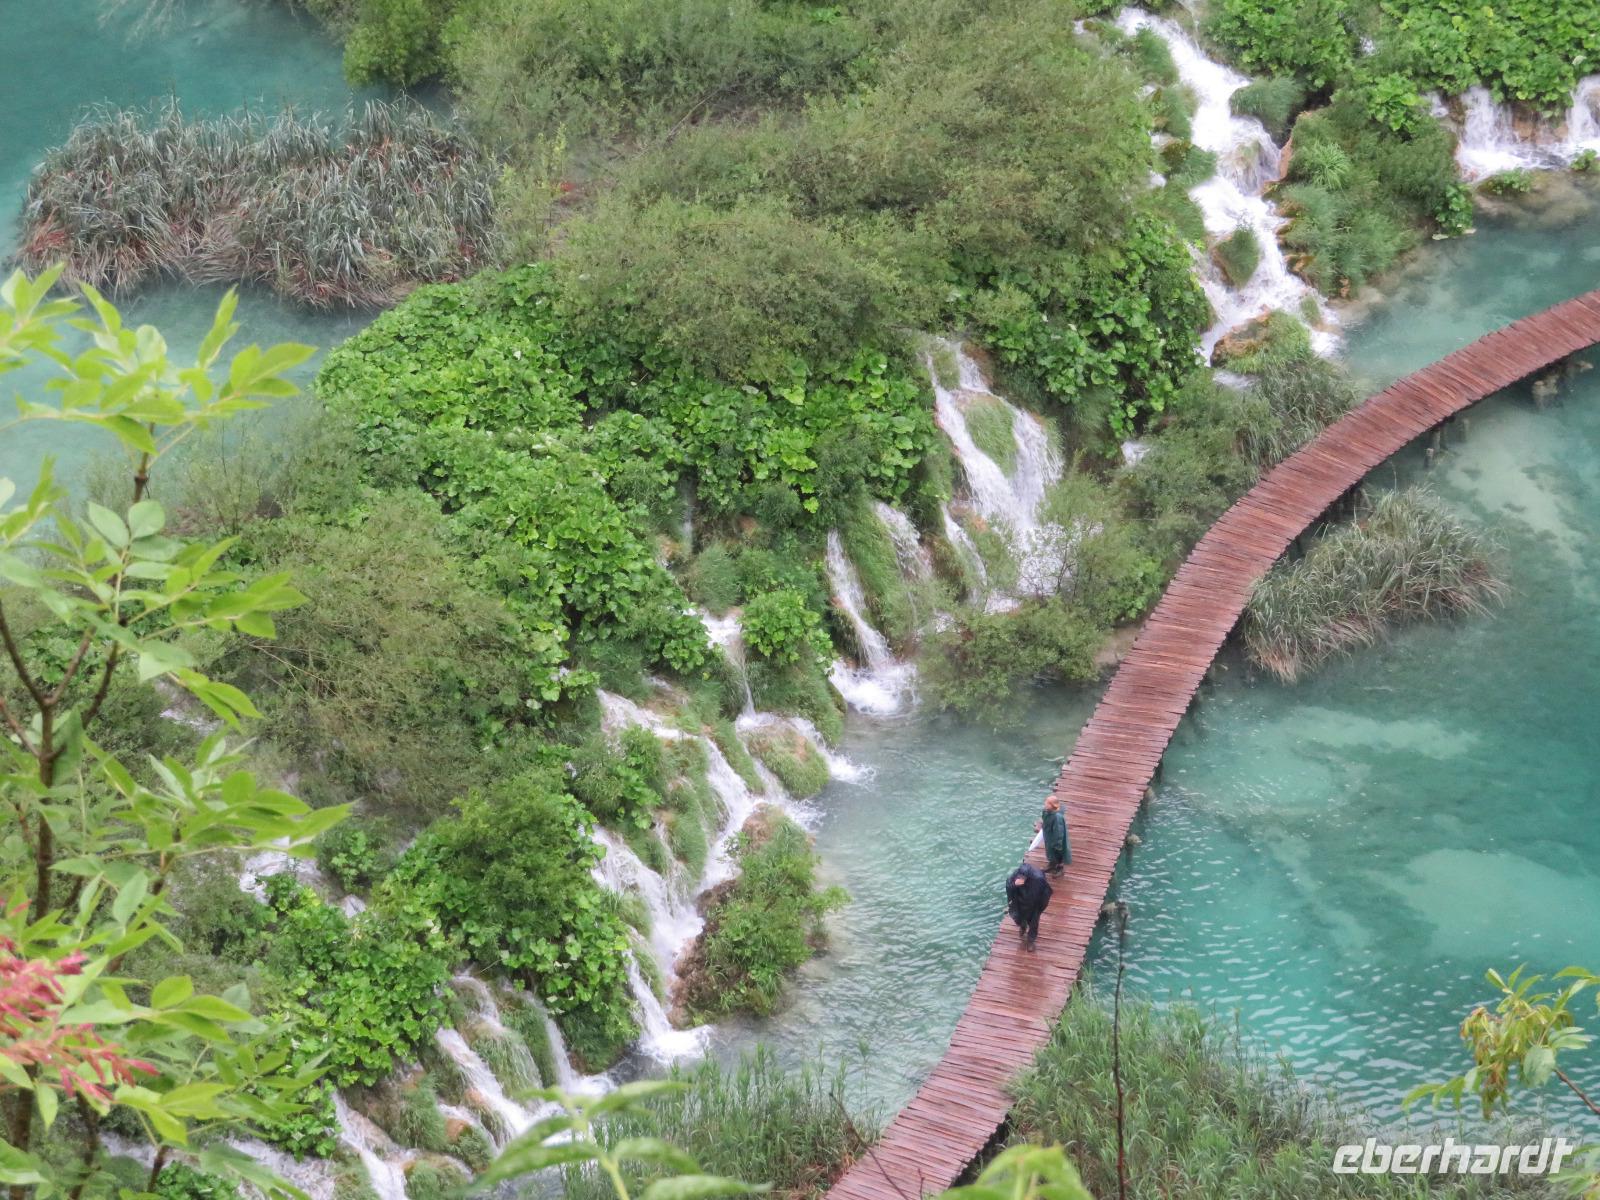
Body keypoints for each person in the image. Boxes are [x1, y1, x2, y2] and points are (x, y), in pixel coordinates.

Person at [1006, 862, 1052, 952]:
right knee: (1019, 917)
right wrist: (1015, 885)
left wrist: (1040, 908)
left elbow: (1046, 893)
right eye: (1020, 876)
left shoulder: (1039, 878)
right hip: (1020, 902)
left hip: (1034, 905)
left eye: (1023, 877)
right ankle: (1022, 926)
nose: (1021, 879)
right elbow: (1009, 887)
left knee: (1033, 923)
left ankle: (1031, 940)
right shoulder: (1015, 875)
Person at [1035, 795, 1070, 876]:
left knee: (1058, 854)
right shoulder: (1047, 812)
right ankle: (1052, 864)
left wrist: (1058, 844)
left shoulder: (1057, 817)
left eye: (1047, 803)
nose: (1045, 804)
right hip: (1049, 836)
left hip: (1055, 839)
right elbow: (1045, 819)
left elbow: (1059, 832)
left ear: (1052, 805)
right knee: (1050, 852)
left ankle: (1060, 869)